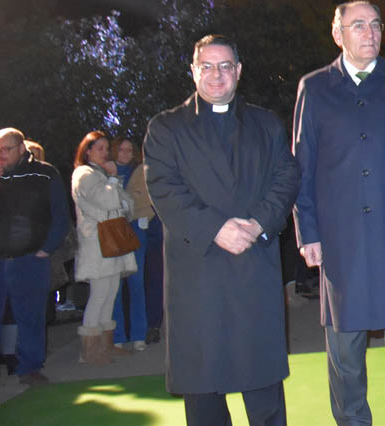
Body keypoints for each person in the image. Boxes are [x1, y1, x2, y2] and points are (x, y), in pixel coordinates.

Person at [144, 34, 300, 426]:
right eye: (208, 66)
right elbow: (164, 189)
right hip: (199, 271)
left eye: (225, 66)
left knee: (262, 384)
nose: (217, 75)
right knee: (204, 388)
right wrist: (215, 228)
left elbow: (286, 175)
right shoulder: (166, 128)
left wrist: (260, 222)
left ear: (238, 71)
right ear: (193, 71)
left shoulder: (265, 124)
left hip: (254, 265)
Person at [293, 0, 385, 426]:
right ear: (338, 35)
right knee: (345, 350)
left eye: (376, 24)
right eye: (358, 25)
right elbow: (302, 166)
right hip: (341, 240)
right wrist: (308, 232)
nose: (369, 33)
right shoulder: (314, 88)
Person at [0, 128, 69, 385]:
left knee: (30, 317)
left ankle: (29, 367)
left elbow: (61, 217)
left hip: (30, 258)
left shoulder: (44, 173)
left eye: (5, 149)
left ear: (20, 148)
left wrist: (46, 249)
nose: (1, 155)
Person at [71, 129, 137, 365]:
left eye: (106, 148)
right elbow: (109, 199)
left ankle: (105, 345)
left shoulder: (101, 174)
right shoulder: (85, 174)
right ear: (87, 151)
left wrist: (114, 192)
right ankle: (89, 351)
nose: (105, 153)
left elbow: (128, 203)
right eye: (99, 148)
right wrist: (112, 181)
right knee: (99, 295)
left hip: (111, 241)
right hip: (97, 243)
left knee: (110, 293)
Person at [110, 138, 153, 352]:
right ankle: (118, 336)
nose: (126, 153)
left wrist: (142, 216)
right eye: (122, 149)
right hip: (112, 230)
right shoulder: (104, 171)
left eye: (130, 150)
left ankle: (138, 335)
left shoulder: (141, 172)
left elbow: (151, 201)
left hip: (136, 228)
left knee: (137, 283)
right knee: (115, 286)